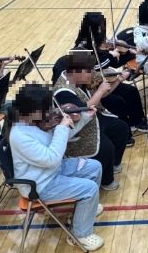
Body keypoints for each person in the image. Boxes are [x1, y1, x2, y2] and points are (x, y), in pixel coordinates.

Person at [8, 83, 105, 251]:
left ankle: (81, 214)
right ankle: (80, 235)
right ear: (31, 110)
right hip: (39, 184)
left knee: (94, 167)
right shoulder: (20, 135)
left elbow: (60, 140)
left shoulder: (35, 122)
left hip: (51, 171)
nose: (51, 112)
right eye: (46, 109)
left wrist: (84, 118)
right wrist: (61, 128)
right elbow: (51, 158)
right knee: (89, 189)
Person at [53, 12, 148, 134]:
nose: (102, 31)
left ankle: (137, 122)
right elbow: (95, 67)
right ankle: (124, 130)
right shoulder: (83, 46)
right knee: (117, 102)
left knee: (131, 91)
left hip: (100, 80)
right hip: (91, 86)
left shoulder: (98, 42)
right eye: (100, 27)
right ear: (92, 28)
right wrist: (110, 56)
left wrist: (128, 53)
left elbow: (113, 63)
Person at [53, 52, 131, 190]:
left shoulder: (78, 79)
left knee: (121, 128)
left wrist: (117, 81)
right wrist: (100, 91)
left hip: (92, 117)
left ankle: (113, 164)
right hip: (78, 127)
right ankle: (106, 180)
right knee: (105, 148)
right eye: (89, 71)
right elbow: (83, 110)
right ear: (77, 72)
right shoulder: (63, 91)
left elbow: (100, 97)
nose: (93, 74)